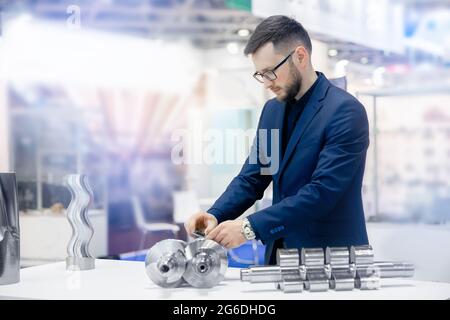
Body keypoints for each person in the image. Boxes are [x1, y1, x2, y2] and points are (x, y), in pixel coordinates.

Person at [185, 15, 370, 265]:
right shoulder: (272, 110)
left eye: (271, 72)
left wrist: (249, 228)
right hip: (279, 257)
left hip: (331, 260)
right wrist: (215, 215)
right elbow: (254, 177)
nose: (267, 84)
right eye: (261, 75)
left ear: (300, 57)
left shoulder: (345, 111)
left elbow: (322, 193)